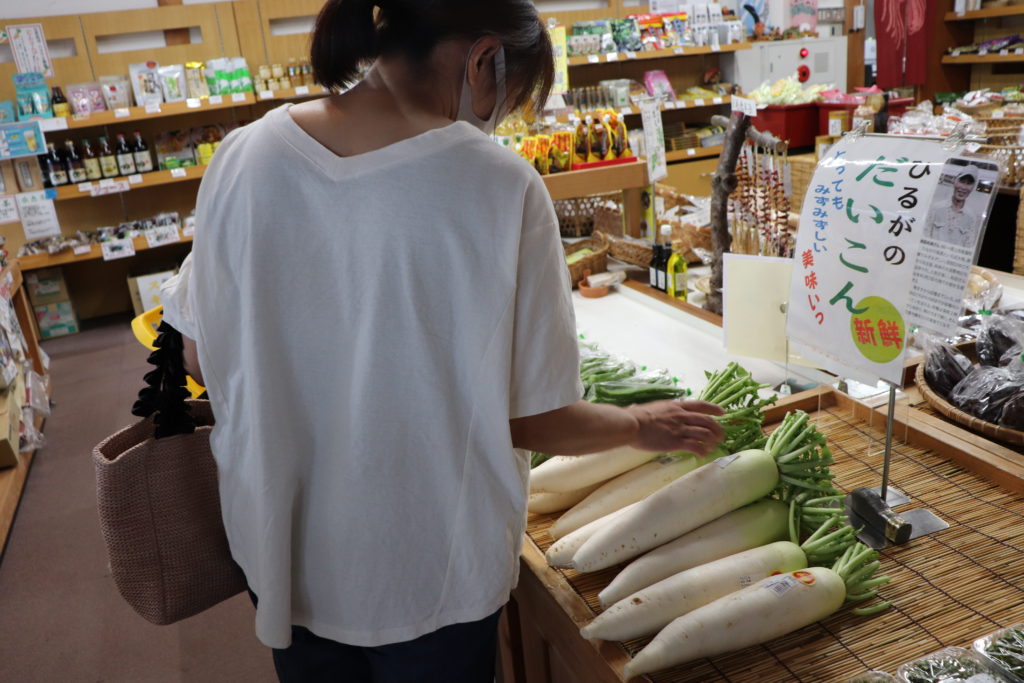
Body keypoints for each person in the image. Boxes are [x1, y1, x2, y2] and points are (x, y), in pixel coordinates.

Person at [160, 0, 726, 680]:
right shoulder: (499, 185)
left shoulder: (244, 156)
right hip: (429, 567)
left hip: (283, 548)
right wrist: (640, 424)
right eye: (509, 100)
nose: (495, 120)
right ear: (484, 59)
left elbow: (196, 352)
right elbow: (535, 417)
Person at [925, 171, 979, 250]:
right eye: (962, 181)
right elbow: (925, 234)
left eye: (968, 184)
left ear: (973, 188)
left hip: (953, 260)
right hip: (932, 258)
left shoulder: (971, 216)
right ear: (955, 182)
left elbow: (969, 245)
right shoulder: (936, 207)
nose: (964, 187)